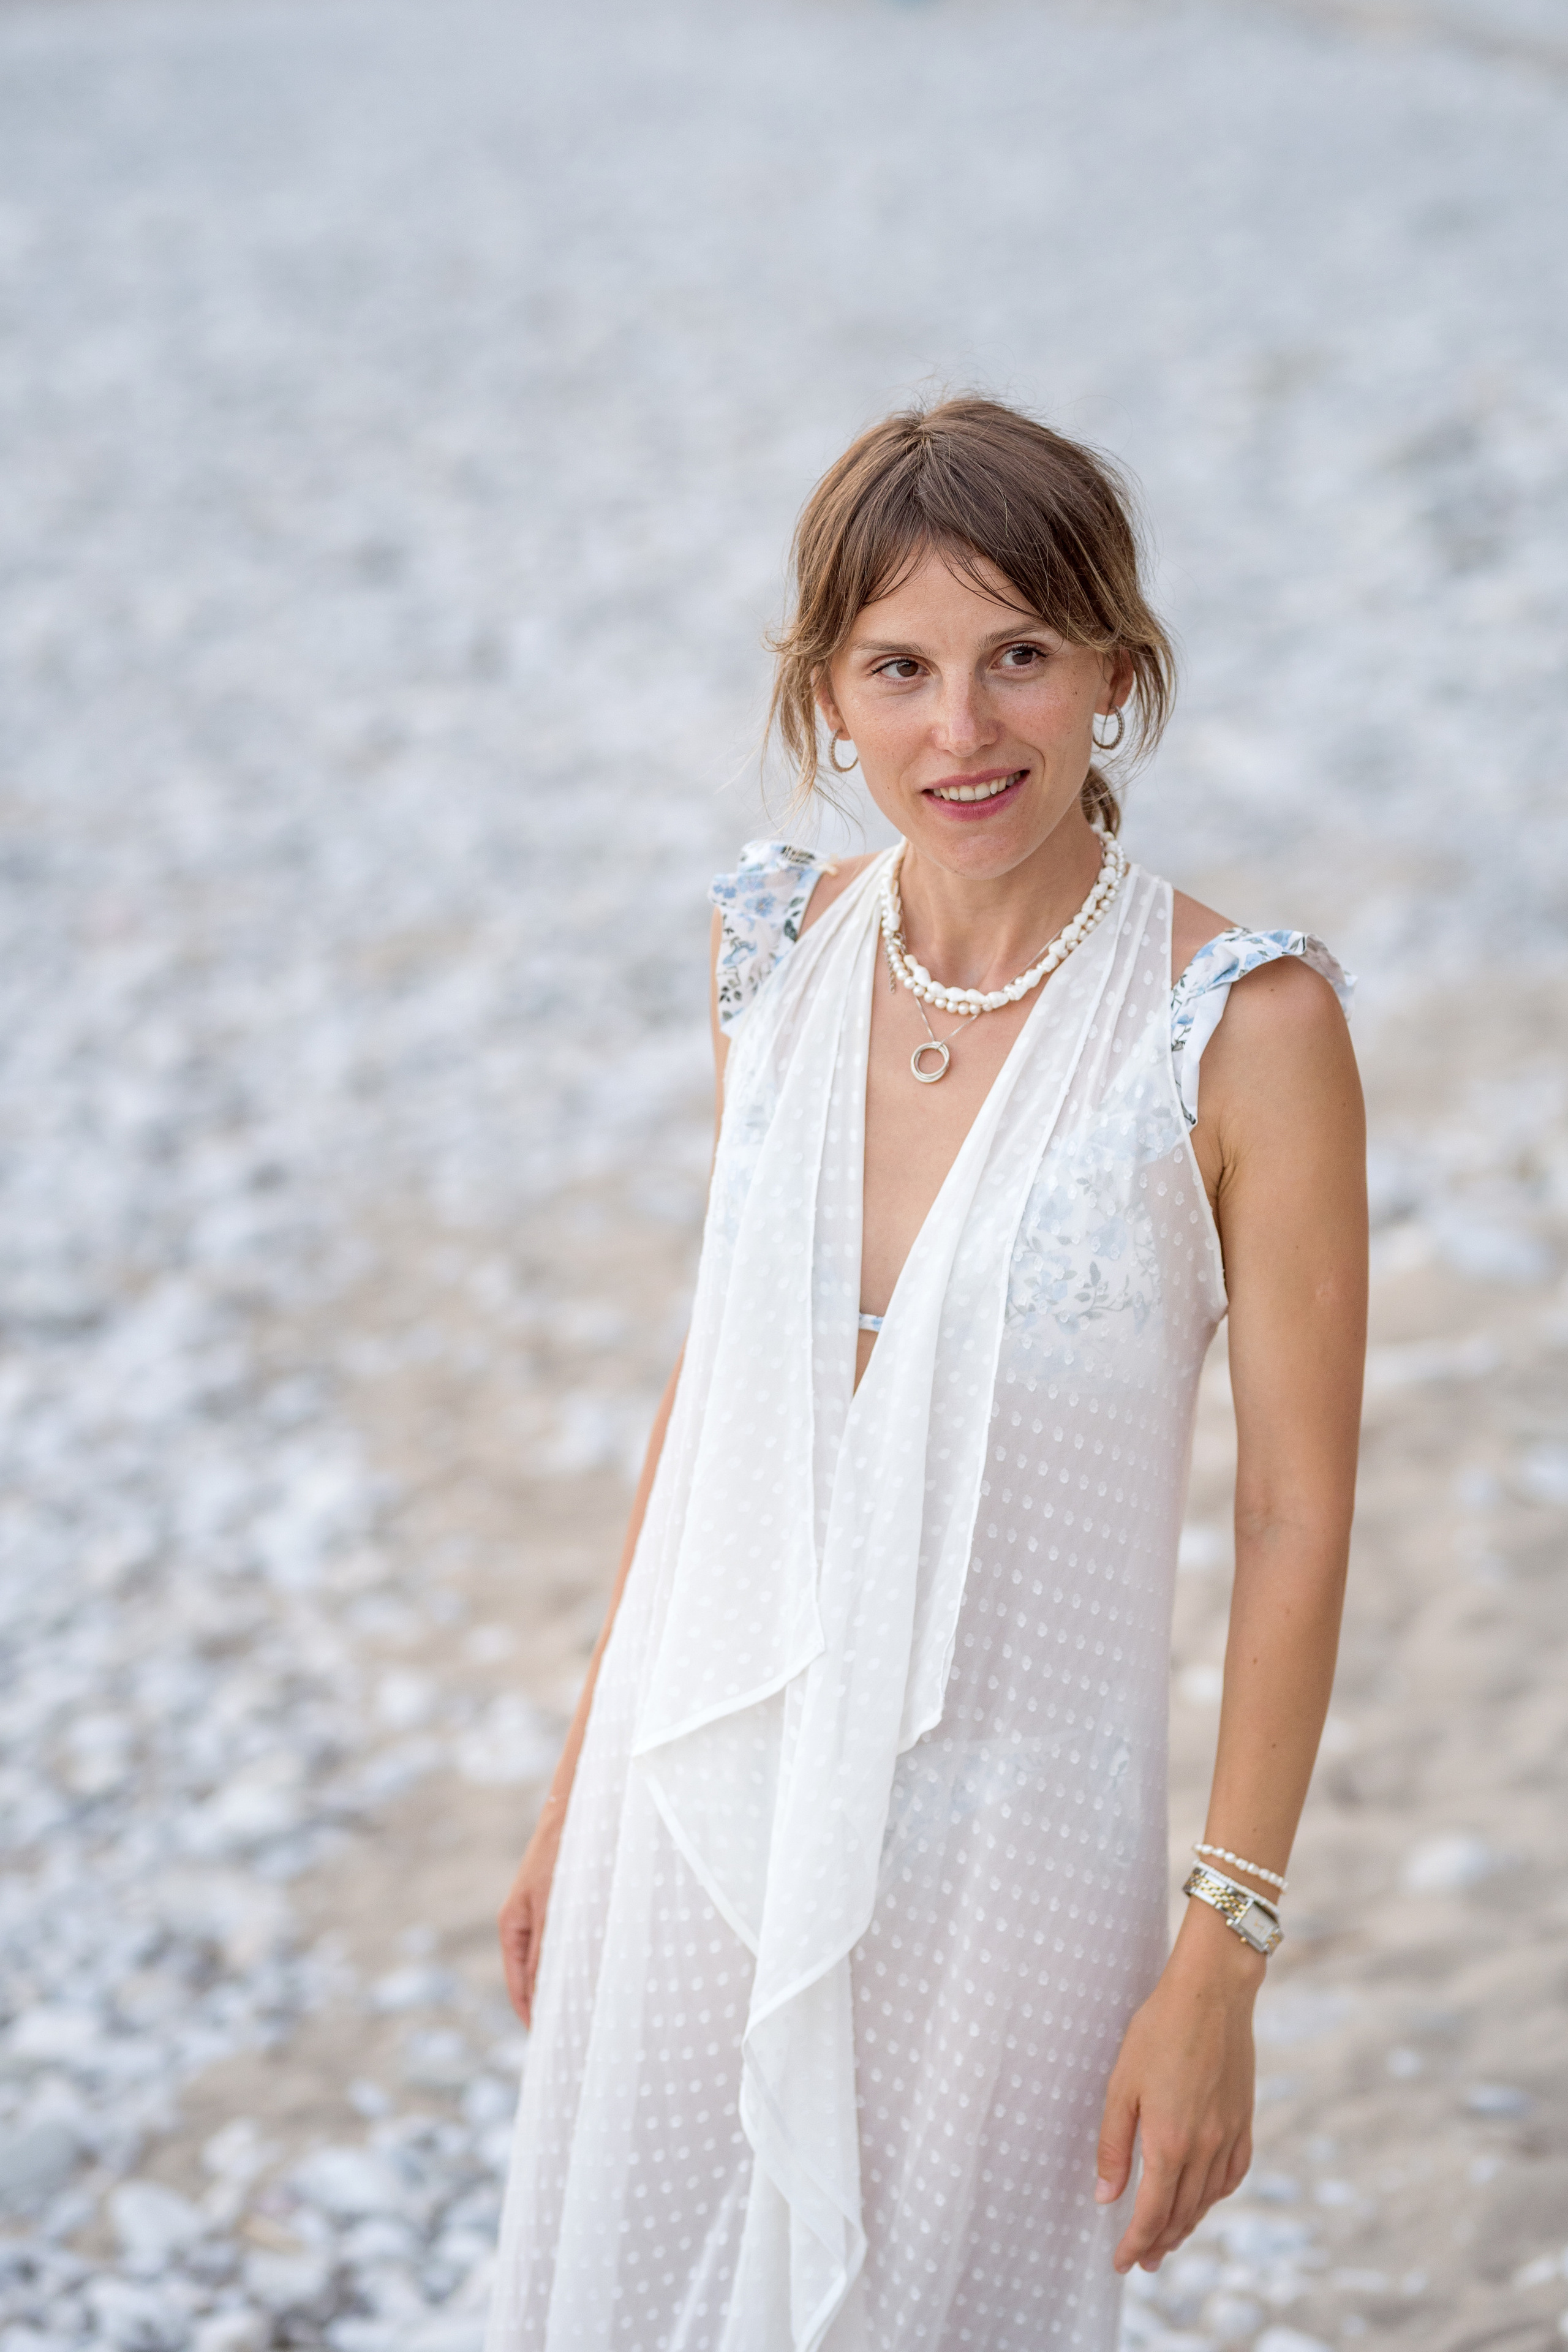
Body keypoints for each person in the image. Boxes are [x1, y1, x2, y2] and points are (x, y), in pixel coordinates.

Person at [486, 397, 1366, 2352]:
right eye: (900, 668)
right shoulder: (767, 955)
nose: (960, 732)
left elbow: (1300, 1511)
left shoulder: (1245, 1031)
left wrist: (1221, 1961)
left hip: (1014, 1874)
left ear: (1114, 675)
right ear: (827, 695)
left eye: (1019, 658)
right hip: (697, 1792)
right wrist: (576, 1794)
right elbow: (714, 1398)